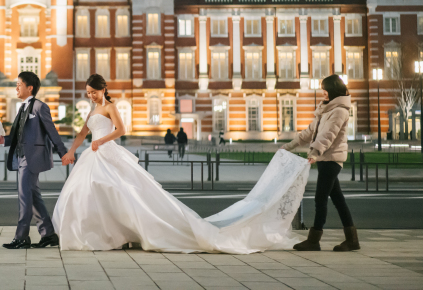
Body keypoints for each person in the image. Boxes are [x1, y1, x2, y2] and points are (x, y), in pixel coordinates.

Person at [52, 74, 310, 253]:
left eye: (94, 93)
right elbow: (83, 132)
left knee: (123, 193)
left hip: (107, 151)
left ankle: (124, 234)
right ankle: (103, 234)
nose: (92, 97)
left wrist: (103, 140)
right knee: (89, 192)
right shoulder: (92, 110)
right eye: (88, 94)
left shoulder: (110, 106)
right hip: (93, 154)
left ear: (103, 89)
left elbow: (121, 129)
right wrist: (72, 151)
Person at [282, 75, 358, 252]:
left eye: (325, 89)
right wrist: (289, 146)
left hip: (331, 159)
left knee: (320, 198)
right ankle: (352, 240)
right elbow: (309, 132)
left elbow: (328, 135)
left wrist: (315, 153)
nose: (322, 92)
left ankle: (314, 239)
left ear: (332, 89)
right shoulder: (326, 109)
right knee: (338, 200)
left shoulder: (339, 110)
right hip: (326, 159)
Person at [0, 71, 68, 249]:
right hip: (22, 156)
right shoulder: (22, 108)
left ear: (30, 88)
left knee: (24, 197)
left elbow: (52, 131)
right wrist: (1, 140)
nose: (16, 87)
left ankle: (22, 237)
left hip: (32, 158)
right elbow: (17, 135)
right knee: (33, 196)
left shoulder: (39, 107)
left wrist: (63, 152)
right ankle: (49, 234)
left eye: (19, 84)